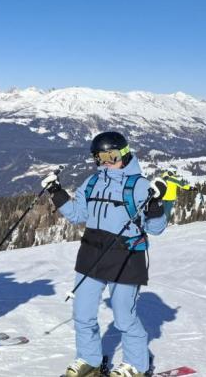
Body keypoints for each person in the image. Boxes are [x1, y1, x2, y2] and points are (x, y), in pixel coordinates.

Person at [42, 131, 168, 377]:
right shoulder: (91, 182)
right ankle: (89, 360)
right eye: (100, 157)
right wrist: (56, 192)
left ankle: (137, 365)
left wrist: (155, 204)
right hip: (91, 253)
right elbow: (78, 215)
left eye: (111, 155)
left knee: (123, 317)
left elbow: (156, 228)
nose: (106, 162)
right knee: (83, 314)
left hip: (126, 257)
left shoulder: (140, 185)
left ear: (124, 153)